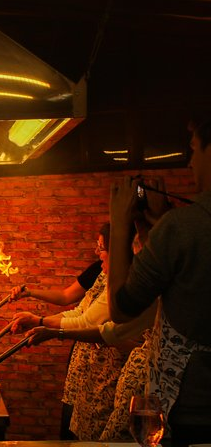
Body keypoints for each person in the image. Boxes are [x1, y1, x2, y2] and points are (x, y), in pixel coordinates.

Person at [108, 115, 211, 446]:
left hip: (188, 411)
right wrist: (156, 232)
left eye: (194, 150)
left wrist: (120, 227)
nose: (191, 161)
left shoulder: (182, 227)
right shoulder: (177, 227)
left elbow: (122, 308)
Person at [12, 223, 110, 440]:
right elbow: (75, 307)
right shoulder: (100, 270)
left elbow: (87, 321)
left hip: (104, 373)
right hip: (83, 364)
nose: (96, 252)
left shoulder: (120, 279)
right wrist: (34, 305)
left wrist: (44, 324)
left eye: (101, 246)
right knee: (73, 429)